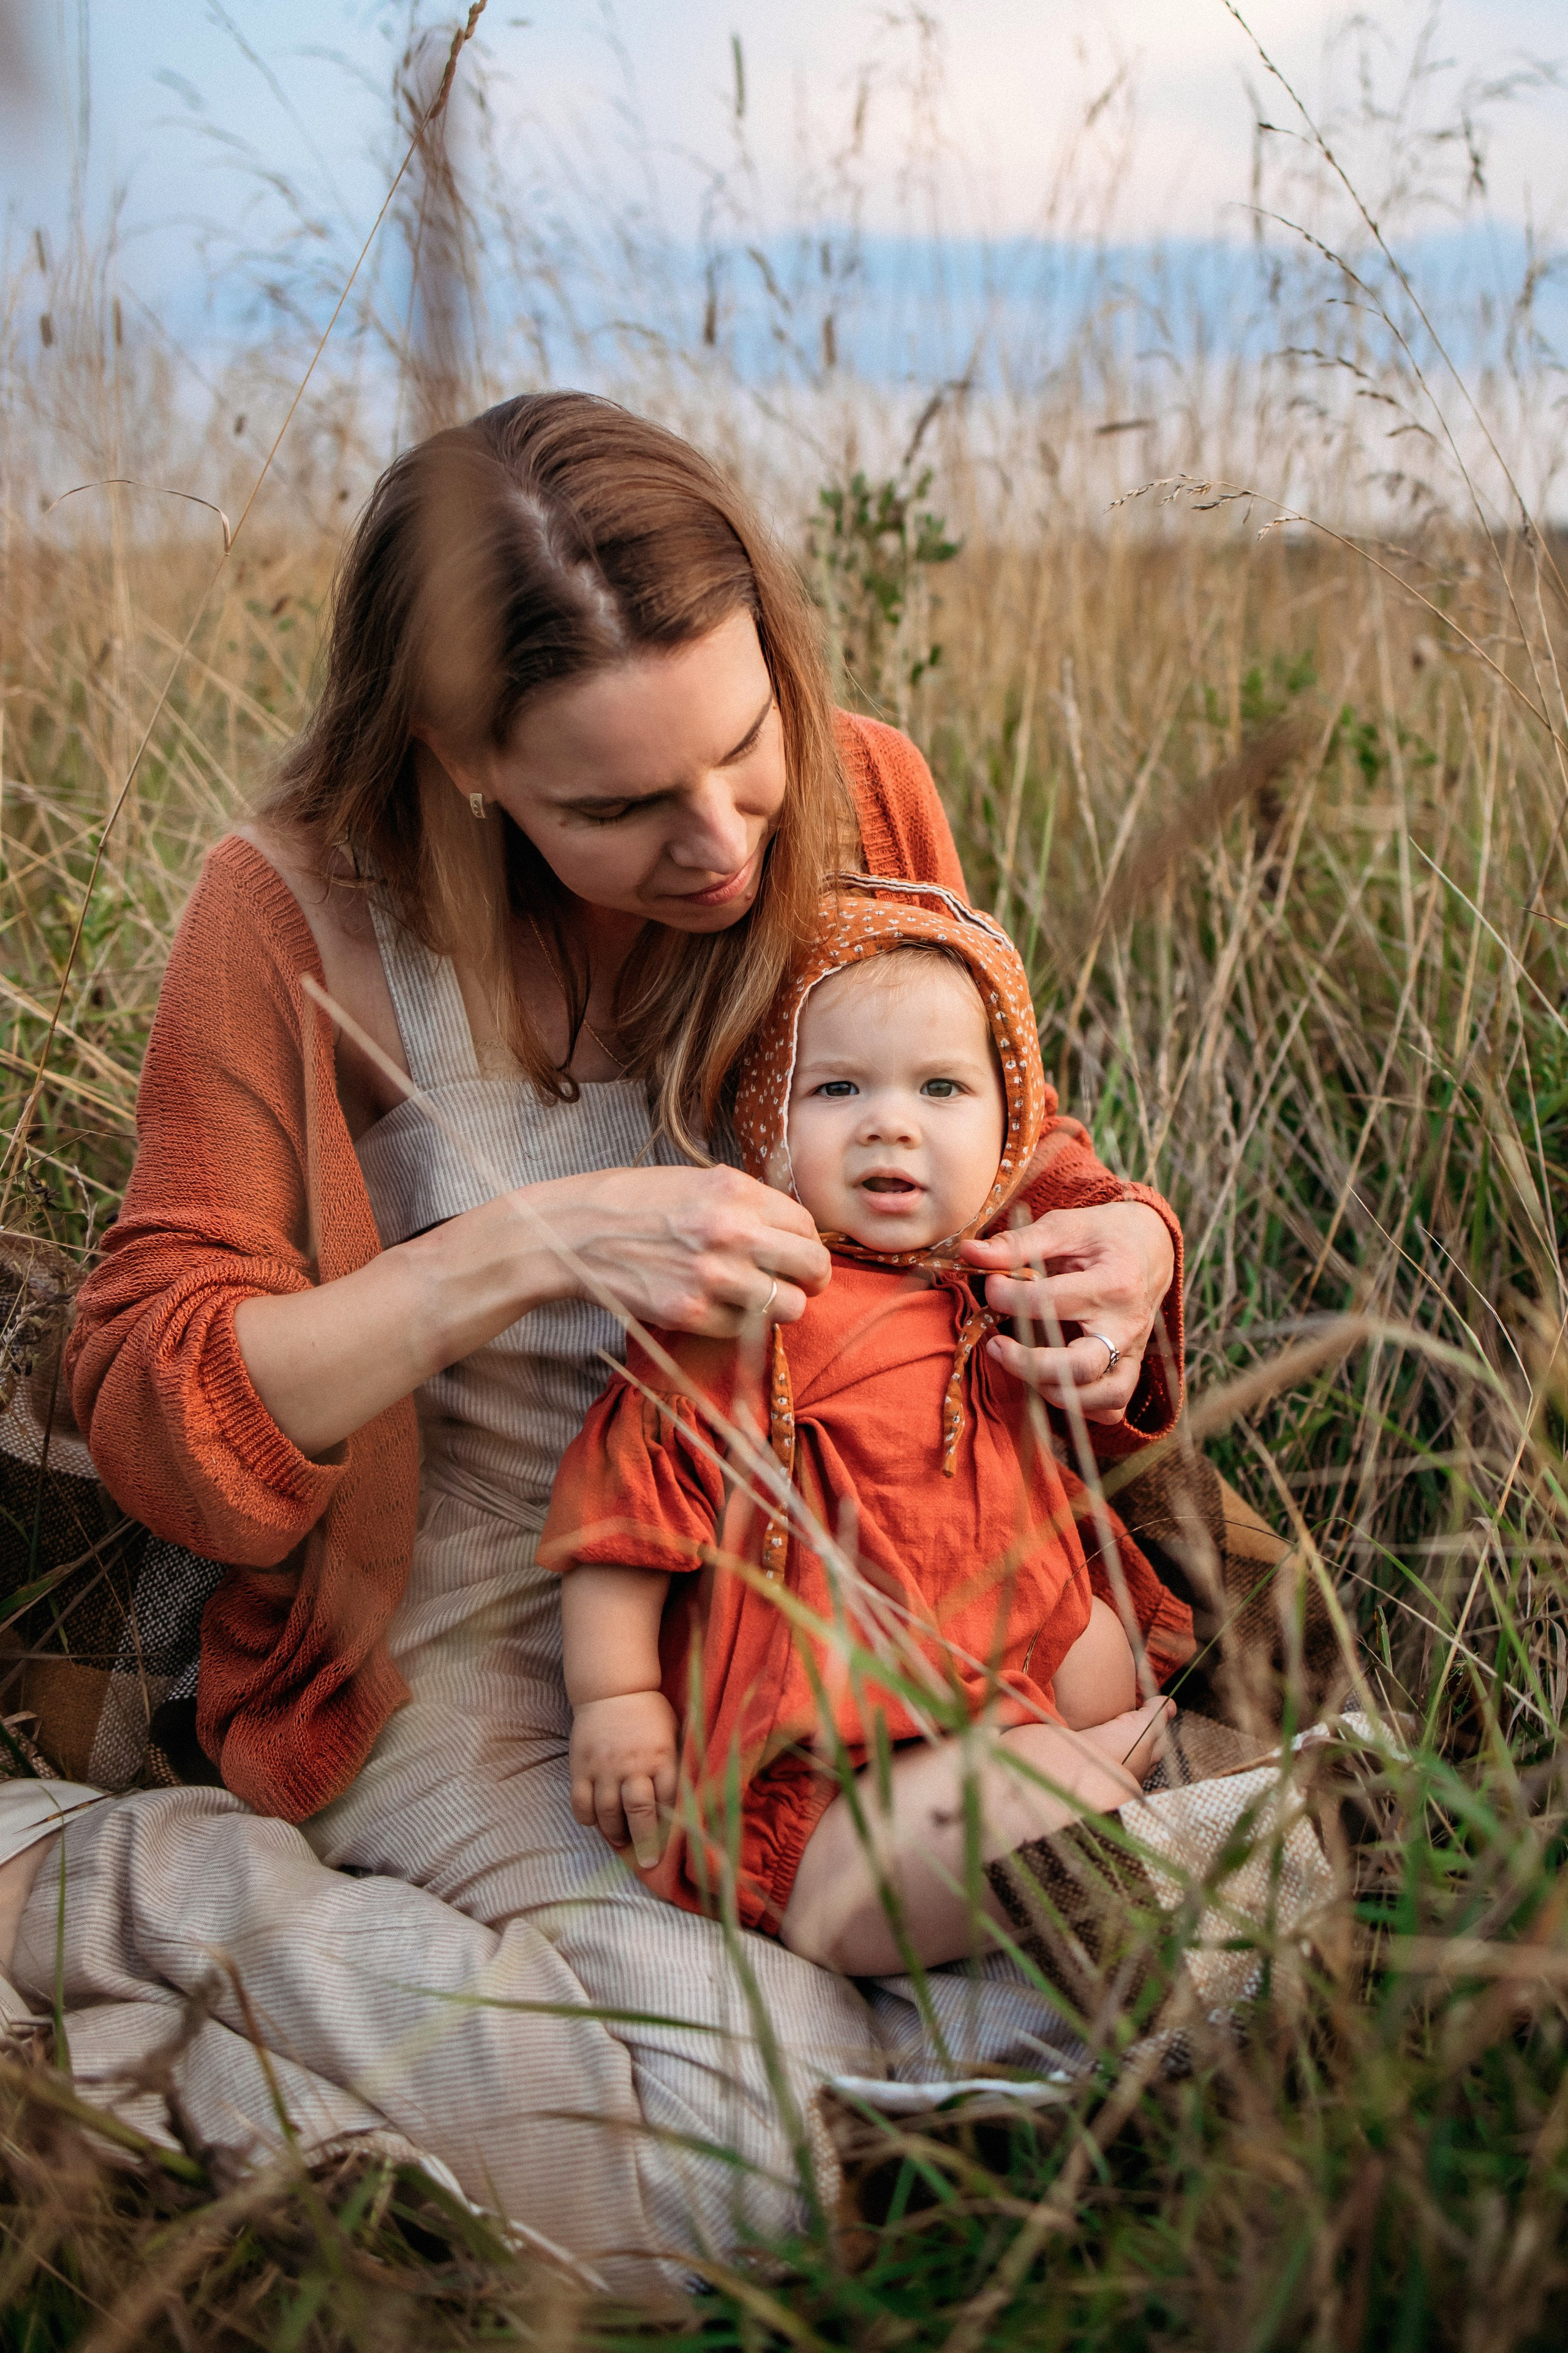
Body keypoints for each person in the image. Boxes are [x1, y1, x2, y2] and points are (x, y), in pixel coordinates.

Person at [0, 393, 1186, 2285]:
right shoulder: (294, 910)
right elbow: (156, 1389)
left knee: (1097, 1962)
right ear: (461, 754)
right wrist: (521, 1249)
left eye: (743, 749)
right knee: (736, 2178)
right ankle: (113, 1881)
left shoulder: (863, 794)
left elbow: (994, 1149)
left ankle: (821, 2070)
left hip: (838, 1571)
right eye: (619, 806)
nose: (720, 844)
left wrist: (1117, 1244)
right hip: (471, 1626)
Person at [546, 879, 1194, 1973]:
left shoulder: (991, 1294)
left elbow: (1039, 1505)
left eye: (942, 1088)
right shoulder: (753, 1311)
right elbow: (630, 1510)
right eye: (838, 1087)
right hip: (821, 1779)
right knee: (987, 1831)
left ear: (1007, 1130)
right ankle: (1119, 1809)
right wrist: (614, 1697)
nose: (891, 1121)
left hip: (994, 1707)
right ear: (765, 1123)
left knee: (1108, 1664)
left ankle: (1108, 1804)